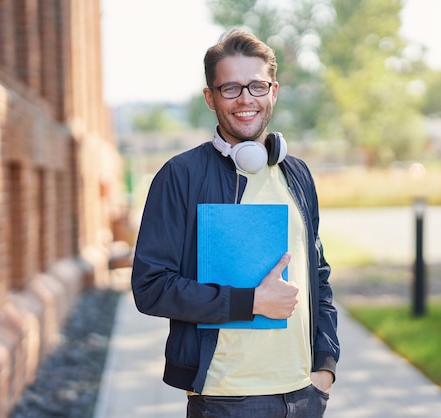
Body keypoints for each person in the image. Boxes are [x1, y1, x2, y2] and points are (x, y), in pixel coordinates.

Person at [131, 28, 340, 418]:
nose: (246, 99)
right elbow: (150, 286)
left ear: (273, 92)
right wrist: (252, 302)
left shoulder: (297, 175)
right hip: (225, 398)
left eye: (257, 86)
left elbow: (319, 276)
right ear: (210, 98)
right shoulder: (180, 175)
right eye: (230, 88)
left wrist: (325, 365)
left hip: (303, 394)